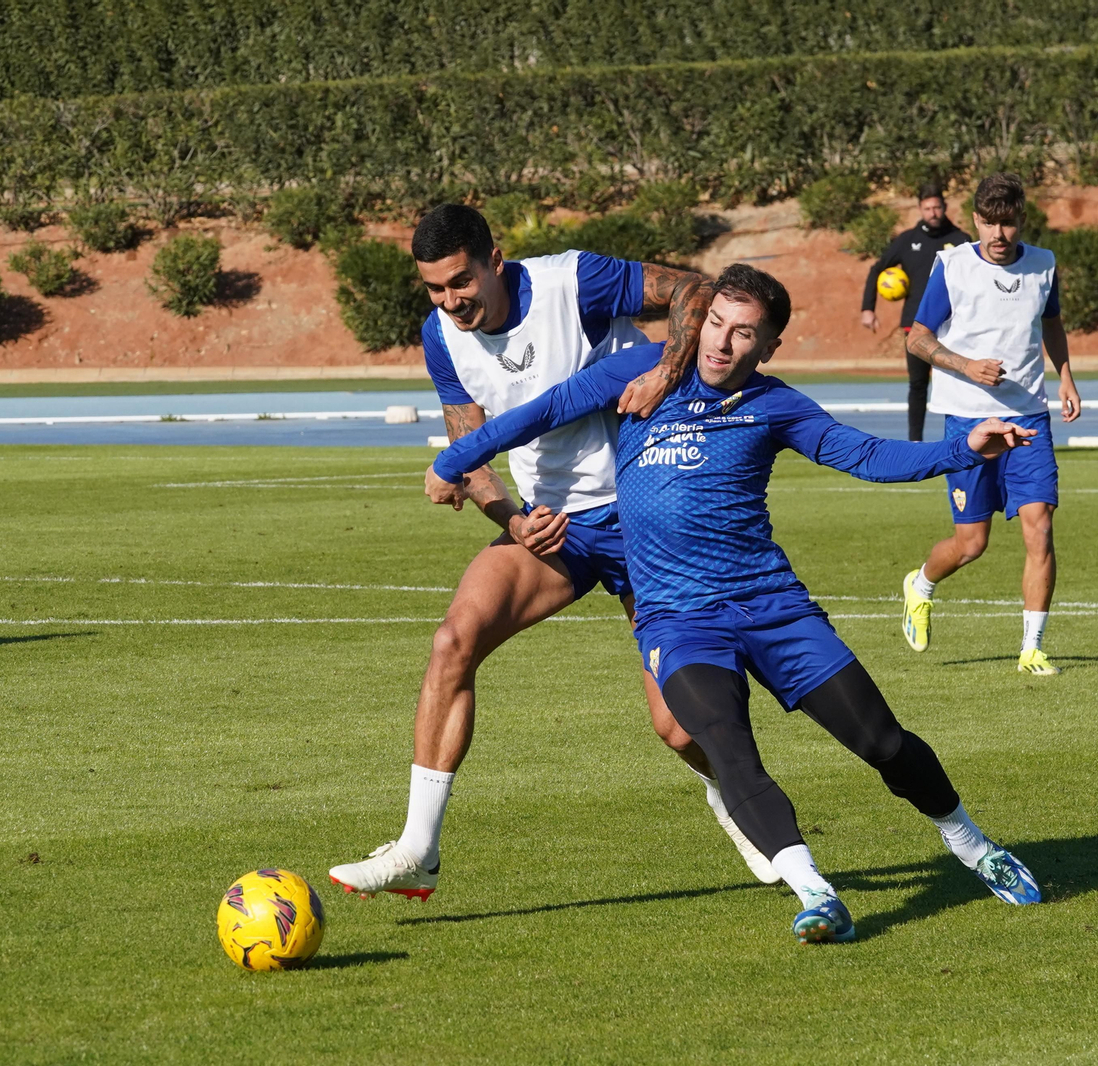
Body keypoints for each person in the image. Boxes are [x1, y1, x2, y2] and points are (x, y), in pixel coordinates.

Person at [427, 264, 1042, 944]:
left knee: (883, 743)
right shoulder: (639, 373)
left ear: (768, 347)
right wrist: (455, 462)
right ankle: (814, 892)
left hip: (774, 607)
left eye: (743, 333)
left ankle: (975, 847)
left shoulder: (776, 404)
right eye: (716, 323)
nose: (721, 344)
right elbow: (537, 413)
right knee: (727, 747)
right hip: (679, 622)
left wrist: (965, 448)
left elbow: (866, 455)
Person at [328, 205, 780, 901]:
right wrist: (509, 519)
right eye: (435, 290)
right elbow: (470, 451)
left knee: (678, 727)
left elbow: (696, 288)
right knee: (454, 639)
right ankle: (418, 849)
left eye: (461, 283)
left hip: (647, 510)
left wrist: (668, 368)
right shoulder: (441, 337)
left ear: (494, 261)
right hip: (557, 529)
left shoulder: (577, 282)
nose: (451, 302)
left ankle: (742, 807)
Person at [897, 173, 1081, 676]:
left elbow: (1051, 322)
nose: (999, 234)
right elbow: (917, 338)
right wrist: (966, 365)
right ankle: (921, 586)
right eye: (989, 223)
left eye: (1008, 223)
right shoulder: (953, 265)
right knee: (971, 543)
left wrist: (1065, 378)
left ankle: (1033, 648)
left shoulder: (1043, 264)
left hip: (1030, 419)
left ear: (1022, 220)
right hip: (967, 419)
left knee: (1039, 528)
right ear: (975, 219)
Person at [860, 183, 972, 441]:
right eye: (927, 208)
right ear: (920, 209)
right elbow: (876, 269)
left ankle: (962, 438)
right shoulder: (907, 240)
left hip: (954, 325)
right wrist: (868, 309)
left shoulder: (960, 240)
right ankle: (915, 441)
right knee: (918, 384)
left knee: (959, 380)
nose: (933, 212)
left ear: (945, 208)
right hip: (916, 324)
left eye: (937, 207)